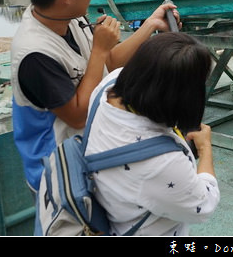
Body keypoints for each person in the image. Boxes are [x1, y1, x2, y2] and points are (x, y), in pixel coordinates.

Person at [10, 0, 181, 195]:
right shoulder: (35, 55)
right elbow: (77, 115)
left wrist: (149, 26)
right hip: (60, 174)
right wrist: (99, 49)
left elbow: (108, 63)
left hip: (89, 154)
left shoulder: (69, 18)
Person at [85, 31, 219, 236]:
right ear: (184, 97)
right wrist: (205, 148)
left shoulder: (107, 85)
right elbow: (203, 204)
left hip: (113, 209)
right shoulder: (162, 162)